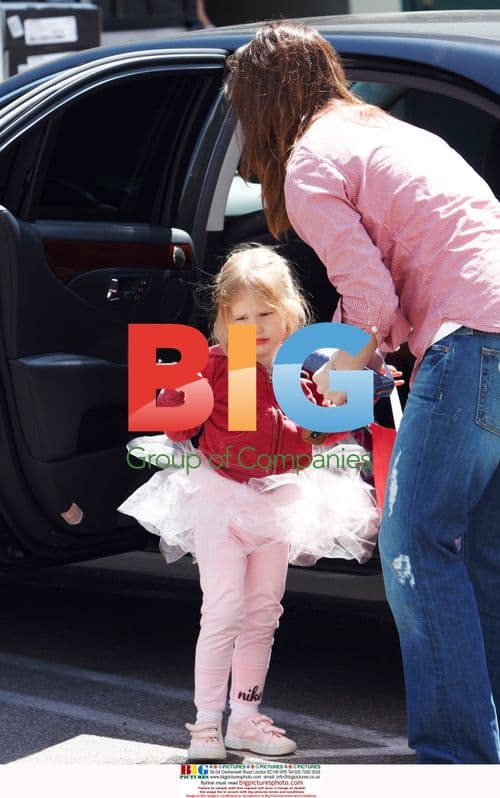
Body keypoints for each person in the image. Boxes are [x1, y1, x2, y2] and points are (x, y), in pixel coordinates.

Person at [224, 21, 500, 764]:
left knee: (414, 545)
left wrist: (336, 371)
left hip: (472, 340)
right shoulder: (395, 133)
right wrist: (392, 347)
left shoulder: (309, 165)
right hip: (485, 328)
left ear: (261, 104)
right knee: (482, 552)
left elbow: (369, 297)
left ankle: (460, 762)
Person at [118, 243, 380, 761]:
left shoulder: (303, 372)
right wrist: (176, 397)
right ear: (223, 320)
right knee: (224, 610)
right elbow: (180, 421)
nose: (256, 326)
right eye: (242, 317)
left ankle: (245, 719)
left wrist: (357, 394)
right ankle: (206, 726)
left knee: (264, 612)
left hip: (279, 502)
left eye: (267, 314)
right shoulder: (219, 367)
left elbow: (317, 437)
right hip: (222, 499)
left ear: (290, 314)